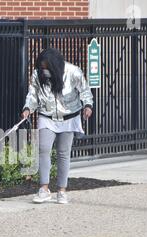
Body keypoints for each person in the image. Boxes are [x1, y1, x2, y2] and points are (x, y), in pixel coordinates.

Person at [21, 47, 93, 204]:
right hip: (47, 116)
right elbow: (32, 94)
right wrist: (28, 108)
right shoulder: (37, 74)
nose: (44, 71)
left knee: (63, 152)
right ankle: (44, 189)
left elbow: (85, 91)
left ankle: (62, 190)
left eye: (47, 68)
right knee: (43, 149)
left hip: (69, 117)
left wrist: (88, 105)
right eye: (42, 68)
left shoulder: (73, 72)